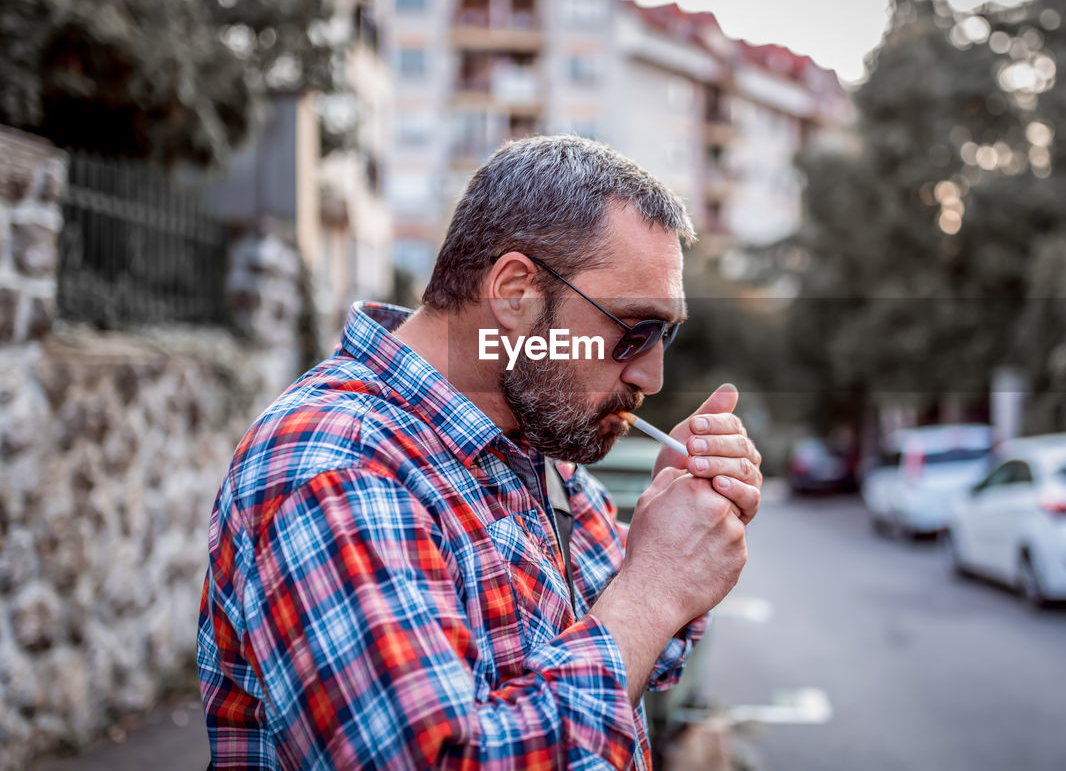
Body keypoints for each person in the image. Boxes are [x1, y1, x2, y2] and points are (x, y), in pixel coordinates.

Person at [198, 135, 763, 770]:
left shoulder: (531, 444)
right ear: (515, 293)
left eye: (667, 333)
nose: (651, 377)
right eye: (634, 330)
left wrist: (674, 523)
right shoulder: (337, 465)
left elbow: (625, 648)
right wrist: (654, 590)